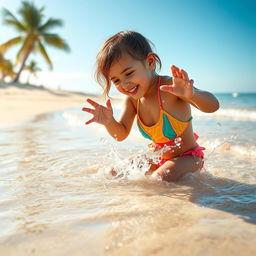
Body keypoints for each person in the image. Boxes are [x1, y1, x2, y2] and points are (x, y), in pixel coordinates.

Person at [82, 30, 219, 182]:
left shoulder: (169, 87)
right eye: (116, 81)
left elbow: (213, 105)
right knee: (112, 172)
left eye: (128, 73)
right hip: (157, 156)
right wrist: (109, 122)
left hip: (188, 158)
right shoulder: (132, 100)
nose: (125, 84)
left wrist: (192, 94)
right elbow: (120, 134)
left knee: (158, 179)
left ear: (150, 62)